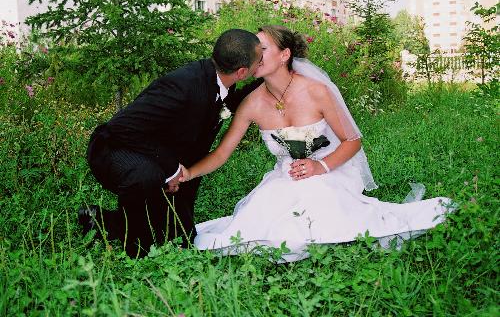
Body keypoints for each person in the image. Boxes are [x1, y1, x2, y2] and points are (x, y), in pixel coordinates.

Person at [180, 25, 453, 262]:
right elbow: (223, 152)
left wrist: (319, 166)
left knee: (320, 216)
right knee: (254, 231)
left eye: (262, 48)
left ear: (285, 55)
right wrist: (188, 173)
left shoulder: (316, 91)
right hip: (284, 178)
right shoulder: (251, 104)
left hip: (329, 170)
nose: (254, 55)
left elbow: (352, 140)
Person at [80, 29, 263, 258]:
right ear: (242, 71)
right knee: (145, 177)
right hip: (115, 149)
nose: (262, 62)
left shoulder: (221, 77)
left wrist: (269, 77)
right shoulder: (183, 85)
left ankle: (100, 221)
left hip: (154, 151)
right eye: (260, 61)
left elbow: (222, 104)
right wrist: (171, 169)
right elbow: (121, 128)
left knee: (183, 237)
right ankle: (137, 252)